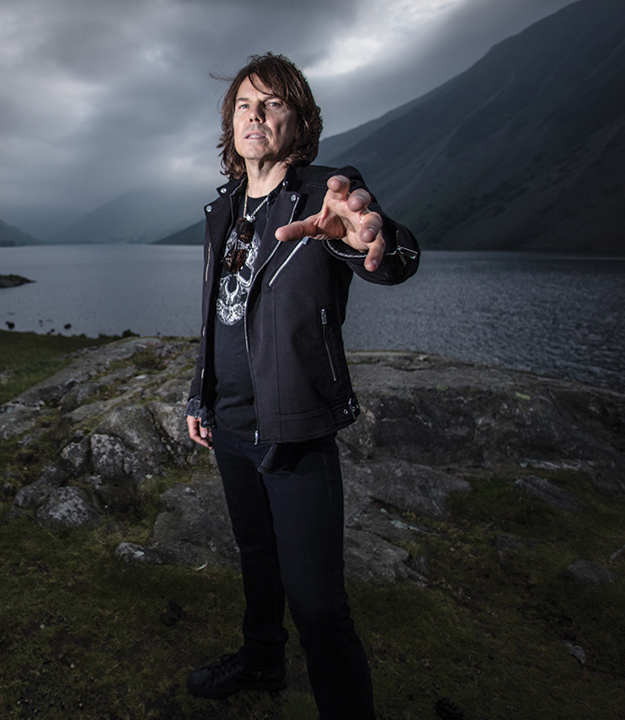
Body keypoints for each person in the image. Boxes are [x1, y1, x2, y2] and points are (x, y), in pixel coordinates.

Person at [184, 52, 420, 719]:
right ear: (231, 123)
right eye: (243, 106)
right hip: (228, 424)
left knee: (318, 604)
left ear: (300, 120)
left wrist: (376, 238)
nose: (254, 117)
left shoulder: (325, 194)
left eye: (272, 104)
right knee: (257, 562)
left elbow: (383, 253)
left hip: (294, 429)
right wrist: (200, 394)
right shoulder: (224, 208)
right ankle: (261, 660)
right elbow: (218, 309)